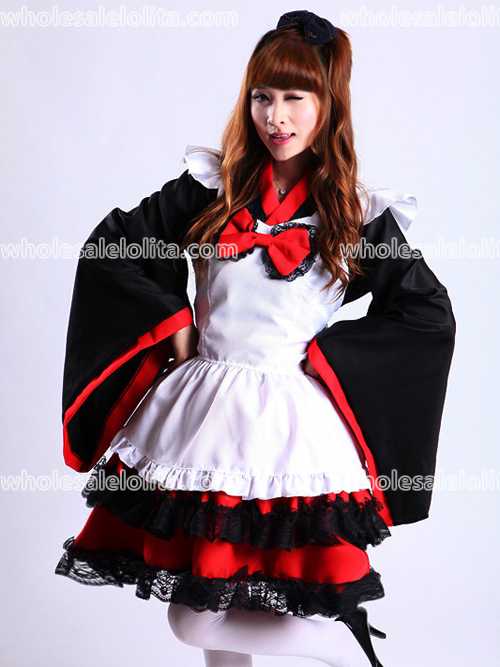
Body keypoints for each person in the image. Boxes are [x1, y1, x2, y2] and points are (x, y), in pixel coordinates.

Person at [54, 10, 456, 667]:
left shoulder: (354, 215)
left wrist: (331, 360)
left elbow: (427, 312)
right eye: (263, 97)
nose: (276, 117)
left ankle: (341, 644)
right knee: (208, 597)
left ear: (329, 105)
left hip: (286, 433)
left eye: (295, 97)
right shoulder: (213, 189)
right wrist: (174, 319)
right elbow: (114, 246)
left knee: (195, 618)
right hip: (201, 419)